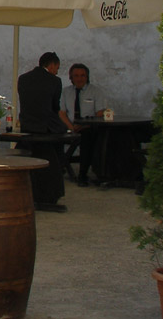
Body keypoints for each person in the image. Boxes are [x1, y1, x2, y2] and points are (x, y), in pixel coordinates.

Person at [17, 51, 69, 212]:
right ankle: (50, 193)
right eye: (57, 68)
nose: (56, 71)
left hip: (27, 126)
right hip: (46, 128)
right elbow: (55, 107)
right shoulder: (54, 81)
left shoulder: (23, 79)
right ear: (52, 65)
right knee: (55, 152)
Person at [61, 63, 111, 186]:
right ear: (71, 77)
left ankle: (83, 174)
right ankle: (59, 166)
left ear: (87, 77)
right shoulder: (65, 92)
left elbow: (100, 113)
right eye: (76, 76)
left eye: (82, 75)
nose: (79, 78)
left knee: (88, 137)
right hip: (70, 127)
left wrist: (84, 125)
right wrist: (71, 127)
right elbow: (61, 113)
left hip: (89, 127)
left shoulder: (95, 92)